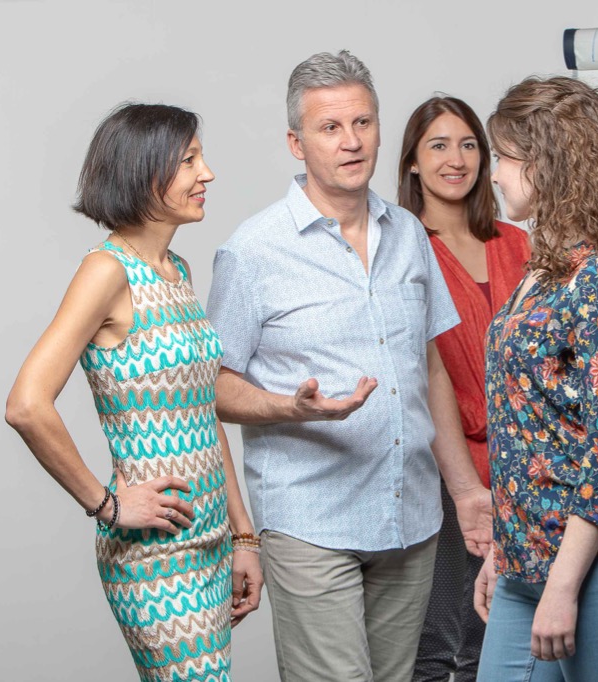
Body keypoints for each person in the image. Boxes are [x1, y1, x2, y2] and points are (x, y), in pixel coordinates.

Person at [205, 51, 492, 682]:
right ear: (296, 142)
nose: (351, 141)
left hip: (410, 515)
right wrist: (288, 407)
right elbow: (212, 385)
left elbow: (432, 370)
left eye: (363, 123)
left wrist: (467, 490)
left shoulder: (411, 235)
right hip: (311, 518)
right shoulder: (252, 251)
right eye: (330, 128)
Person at [5, 103, 262, 681]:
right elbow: (26, 404)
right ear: (145, 173)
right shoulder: (108, 271)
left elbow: (202, 412)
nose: (208, 174)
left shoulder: (177, 271)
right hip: (155, 558)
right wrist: (108, 505)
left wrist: (243, 535)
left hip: (213, 543)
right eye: (189, 160)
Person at [473, 76, 598, 682]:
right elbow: (528, 426)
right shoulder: (543, 272)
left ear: (549, 165)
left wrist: (562, 587)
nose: (495, 174)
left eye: (505, 158)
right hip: (525, 563)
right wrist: (504, 555)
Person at [398, 96, 530, 682]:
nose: (457, 159)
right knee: (440, 643)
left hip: (528, 468)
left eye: (470, 144)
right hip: (446, 471)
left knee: (509, 632)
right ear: (412, 164)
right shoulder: (400, 249)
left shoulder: (520, 244)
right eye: (439, 145)